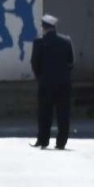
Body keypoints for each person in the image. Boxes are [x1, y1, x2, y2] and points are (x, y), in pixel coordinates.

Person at [31, 13, 74, 149]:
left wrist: (40, 77)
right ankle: (61, 142)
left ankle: (43, 140)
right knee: (63, 113)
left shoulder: (39, 41)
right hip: (64, 83)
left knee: (44, 112)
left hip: (46, 82)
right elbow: (71, 61)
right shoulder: (66, 40)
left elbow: (35, 62)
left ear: (43, 27)